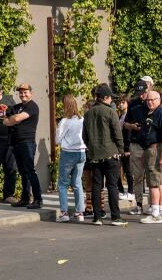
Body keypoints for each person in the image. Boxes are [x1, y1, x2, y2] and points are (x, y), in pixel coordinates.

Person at [82, 84, 126, 226]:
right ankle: (115, 217)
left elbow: (84, 136)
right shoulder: (110, 112)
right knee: (112, 186)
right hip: (111, 154)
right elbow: (117, 134)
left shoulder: (88, 114)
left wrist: (92, 147)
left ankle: (97, 217)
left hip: (95, 155)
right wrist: (120, 150)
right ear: (105, 98)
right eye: (110, 98)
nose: (111, 101)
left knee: (96, 186)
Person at [4, 83, 43, 209]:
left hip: (27, 143)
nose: (23, 94)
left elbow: (15, 119)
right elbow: (6, 118)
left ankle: (38, 199)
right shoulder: (17, 107)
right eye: (21, 92)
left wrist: (12, 118)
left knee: (30, 171)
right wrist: (9, 116)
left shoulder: (33, 106)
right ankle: (25, 198)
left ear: (31, 93)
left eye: (25, 92)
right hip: (17, 143)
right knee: (23, 172)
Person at [138, 89, 162, 224]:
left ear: (159, 100)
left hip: (155, 150)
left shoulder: (161, 114)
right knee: (159, 181)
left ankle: (155, 214)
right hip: (149, 149)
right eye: (148, 100)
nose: (150, 102)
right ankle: (159, 211)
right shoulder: (150, 113)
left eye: (153, 100)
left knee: (153, 182)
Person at [55, 95, 87, 222]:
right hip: (81, 152)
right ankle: (80, 213)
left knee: (63, 183)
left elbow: (57, 140)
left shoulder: (64, 121)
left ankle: (64, 213)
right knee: (77, 182)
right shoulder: (82, 119)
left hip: (68, 153)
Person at [123, 80, 151, 215]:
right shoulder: (133, 104)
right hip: (135, 143)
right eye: (139, 93)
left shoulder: (151, 102)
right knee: (138, 176)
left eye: (143, 93)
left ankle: (153, 204)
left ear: (148, 90)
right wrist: (132, 126)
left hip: (150, 143)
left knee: (151, 175)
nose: (141, 96)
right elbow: (125, 124)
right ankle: (139, 204)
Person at [116, 95, 135, 201]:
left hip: (127, 147)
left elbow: (130, 134)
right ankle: (120, 190)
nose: (120, 104)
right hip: (120, 147)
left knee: (128, 170)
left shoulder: (130, 117)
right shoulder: (119, 116)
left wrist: (128, 149)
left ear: (127, 103)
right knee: (117, 169)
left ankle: (131, 191)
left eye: (123, 102)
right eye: (119, 102)